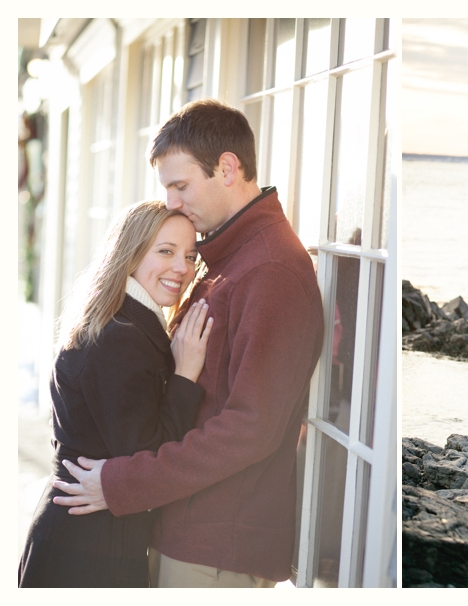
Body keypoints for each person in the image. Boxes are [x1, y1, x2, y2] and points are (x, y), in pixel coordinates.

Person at [53, 99, 325, 588]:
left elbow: (251, 428)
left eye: (180, 186)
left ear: (226, 168)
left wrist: (121, 484)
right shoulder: (227, 259)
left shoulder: (270, 270)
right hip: (184, 530)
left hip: (216, 549)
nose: (173, 202)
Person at [19, 201, 212, 587]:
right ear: (130, 254)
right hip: (86, 552)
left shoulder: (124, 323)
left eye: (190, 256)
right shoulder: (121, 338)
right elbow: (148, 454)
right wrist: (185, 377)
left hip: (88, 540)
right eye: (166, 251)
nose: (182, 268)